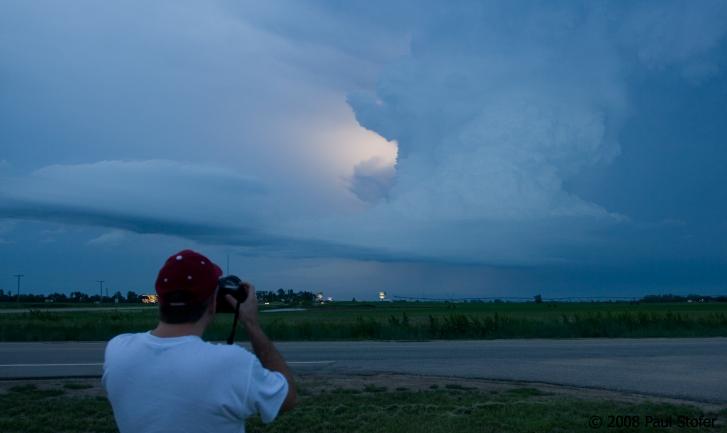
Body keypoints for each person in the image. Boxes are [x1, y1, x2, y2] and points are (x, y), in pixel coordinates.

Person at [102, 249, 296, 433]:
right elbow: (286, 399)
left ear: (160, 300)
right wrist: (252, 324)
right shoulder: (232, 364)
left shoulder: (117, 350)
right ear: (213, 302)